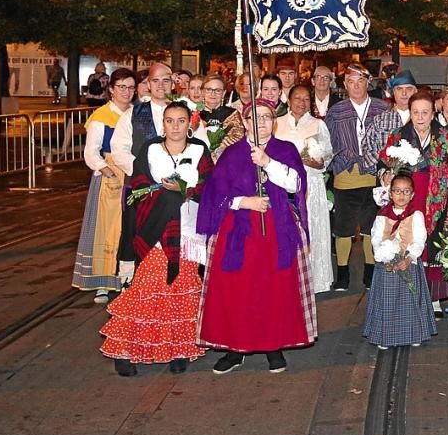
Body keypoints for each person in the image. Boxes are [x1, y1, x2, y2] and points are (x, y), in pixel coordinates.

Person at [196, 98, 315, 374]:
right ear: (245, 122)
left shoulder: (284, 149)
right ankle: (235, 348)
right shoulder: (232, 153)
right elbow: (214, 194)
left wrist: (268, 162)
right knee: (237, 289)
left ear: (273, 121)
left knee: (273, 288)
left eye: (265, 117)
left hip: (276, 227)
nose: (259, 122)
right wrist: (242, 202)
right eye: (254, 118)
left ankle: (274, 345)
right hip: (237, 231)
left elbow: (296, 184)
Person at [103, 101, 213, 376]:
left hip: (186, 230)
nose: (175, 126)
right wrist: (163, 193)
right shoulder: (150, 149)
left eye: (180, 121)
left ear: (190, 124)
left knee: (181, 289)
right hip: (153, 229)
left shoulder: (200, 150)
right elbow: (138, 185)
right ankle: (126, 349)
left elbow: (209, 187)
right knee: (146, 289)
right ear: (162, 123)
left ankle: (178, 348)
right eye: (169, 120)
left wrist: (184, 189)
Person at [376, 91, 448, 306]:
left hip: (434, 200)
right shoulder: (398, 136)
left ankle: (433, 301)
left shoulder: (444, 137)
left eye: (425, 112)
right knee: (405, 241)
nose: (420, 117)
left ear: (433, 113)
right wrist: (385, 174)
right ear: (410, 113)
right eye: (416, 112)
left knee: (432, 246)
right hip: (407, 198)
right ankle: (405, 296)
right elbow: (383, 162)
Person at [73, 69, 136, 303]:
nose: (126, 92)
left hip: (131, 171)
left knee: (129, 226)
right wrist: (107, 171)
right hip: (110, 175)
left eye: (130, 88)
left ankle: (126, 276)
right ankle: (103, 281)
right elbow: (91, 152)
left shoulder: (135, 113)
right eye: (122, 87)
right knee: (106, 227)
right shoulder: (101, 117)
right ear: (111, 89)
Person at [327, 64, 389, 291]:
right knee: (343, 227)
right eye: (351, 81)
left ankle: (370, 274)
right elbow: (328, 143)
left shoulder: (382, 108)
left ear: (368, 83)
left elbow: (390, 141)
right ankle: (342, 274)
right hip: (346, 174)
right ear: (344, 85)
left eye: (360, 81)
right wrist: (336, 163)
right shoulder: (336, 111)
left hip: (374, 177)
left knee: (371, 228)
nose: (356, 86)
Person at [364, 172, 435, 349]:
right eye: (397, 191)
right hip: (387, 264)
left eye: (405, 192)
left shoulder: (416, 216)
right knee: (387, 301)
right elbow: (375, 238)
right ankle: (385, 336)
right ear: (390, 193)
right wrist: (384, 257)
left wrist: (409, 257)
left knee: (409, 300)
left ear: (412, 194)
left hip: (408, 263)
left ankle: (414, 333)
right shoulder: (382, 216)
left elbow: (420, 239)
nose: (401, 195)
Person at [276, 83, 335, 294]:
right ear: (289, 100)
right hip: (282, 184)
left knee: (311, 227)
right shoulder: (277, 123)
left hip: (311, 183)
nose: (302, 103)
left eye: (306, 99)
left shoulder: (318, 125)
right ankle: (286, 276)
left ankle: (313, 279)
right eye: (297, 98)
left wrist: (312, 161)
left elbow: (326, 158)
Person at [114, 61, 174, 168]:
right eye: (155, 80)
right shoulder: (132, 114)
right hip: (142, 179)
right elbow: (119, 150)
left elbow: (200, 144)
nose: (160, 85)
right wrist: (143, 169)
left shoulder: (187, 112)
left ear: (173, 84)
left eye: (165, 80)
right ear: (149, 85)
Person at [195, 74, 246, 161]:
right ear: (202, 92)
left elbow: (237, 137)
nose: (213, 93)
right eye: (209, 90)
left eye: (217, 90)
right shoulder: (194, 113)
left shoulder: (232, 113)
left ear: (224, 93)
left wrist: (217, 150)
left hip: (226, 160)